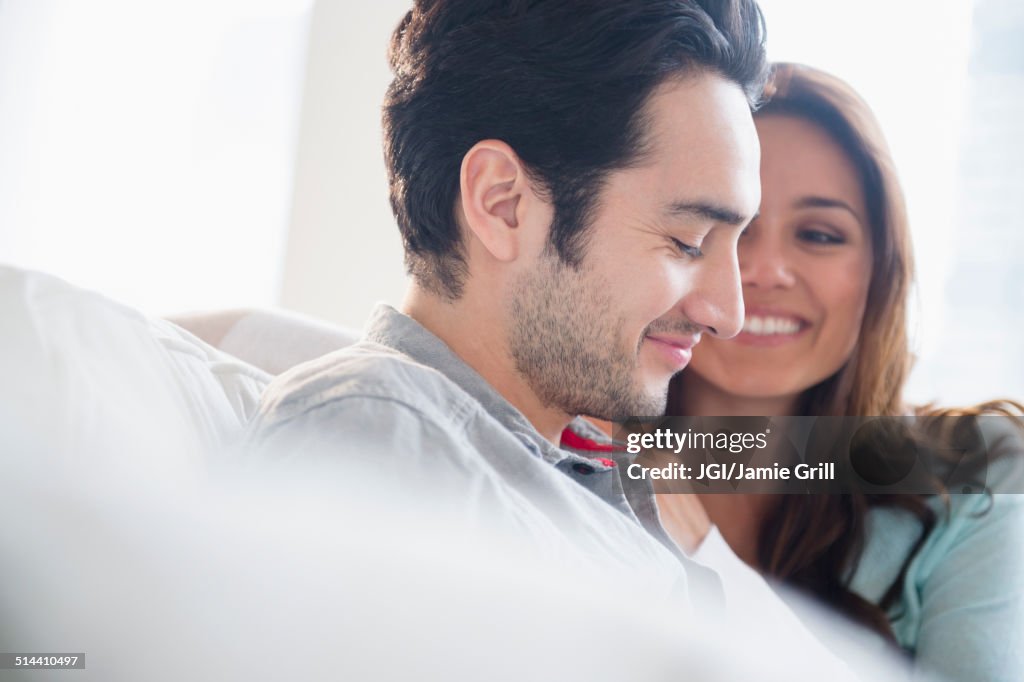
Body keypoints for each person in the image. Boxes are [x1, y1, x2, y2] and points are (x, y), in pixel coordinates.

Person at [248, 0, 770, 605]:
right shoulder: (371, 433)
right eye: (688, 241)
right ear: (503, 205)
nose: (729, 313)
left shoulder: (576, 470)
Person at [663, 62, 1024, 681]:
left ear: (879, 274)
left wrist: (709, 559)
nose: (765, 269)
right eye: (724, 224)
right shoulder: (568, 457)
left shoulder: (980, 475)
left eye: (820, 234)